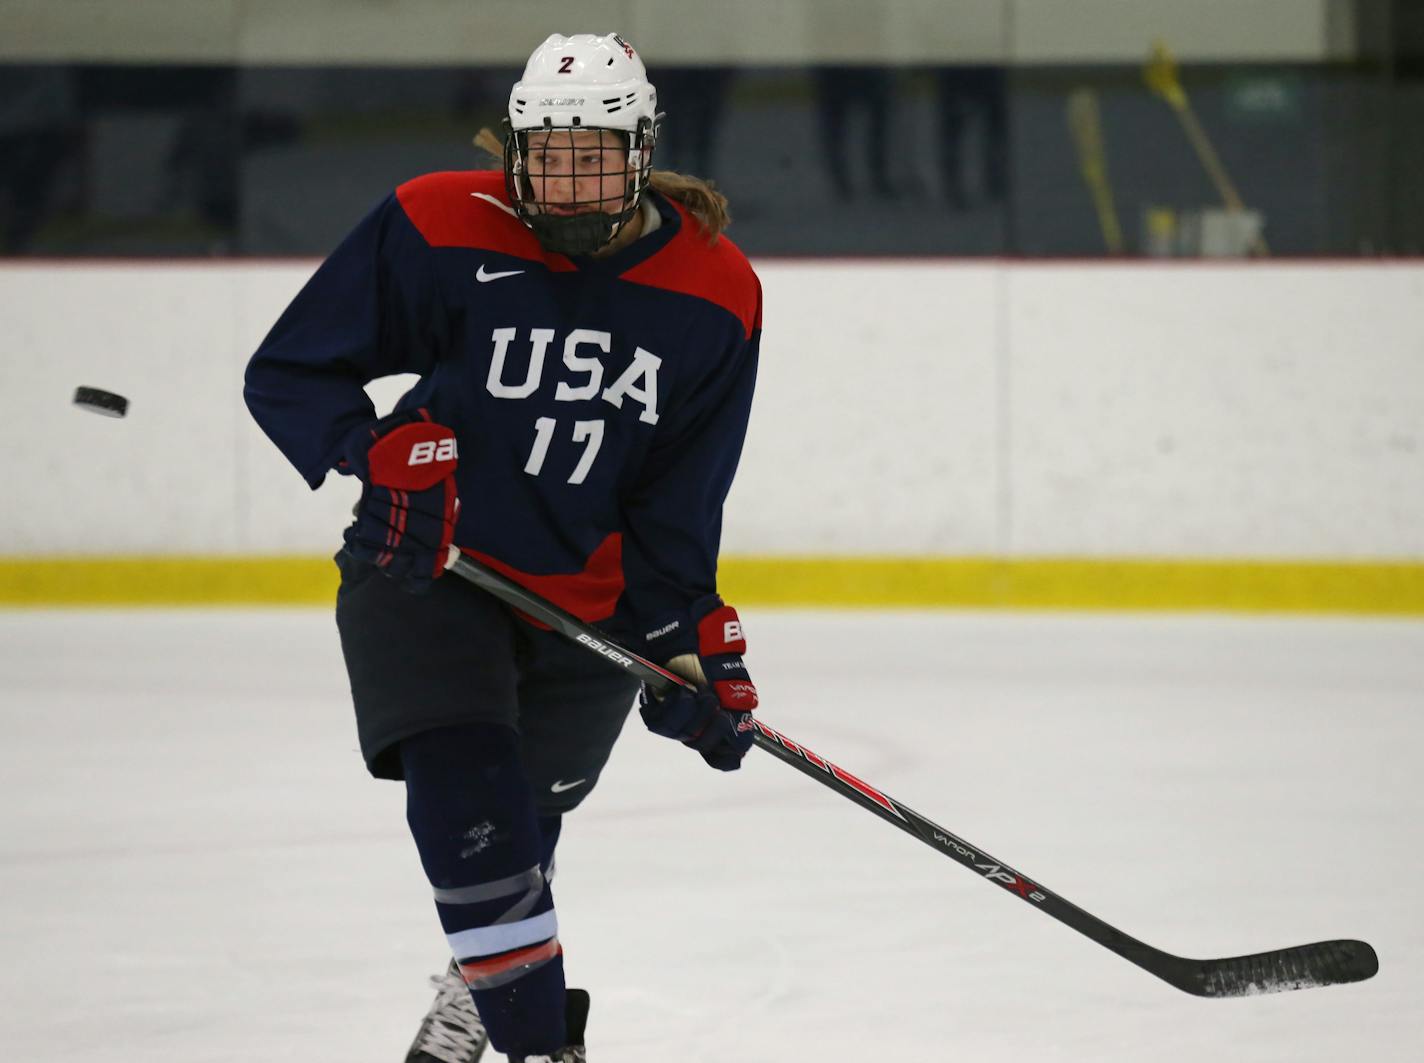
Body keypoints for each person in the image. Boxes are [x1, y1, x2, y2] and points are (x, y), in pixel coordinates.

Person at [244, 32, 762, 1063]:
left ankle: (478, 996)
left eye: (595, 153)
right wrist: (377, 451)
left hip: (587, 603)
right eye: (548, 151)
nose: (567, 178)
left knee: (525, 825)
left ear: (643, 146)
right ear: (516, 146)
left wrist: (690, 643)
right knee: (467, 787)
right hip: (428, 566)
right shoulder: (438, 220)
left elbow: (675, 502)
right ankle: (537, 1043)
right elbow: (290, 373)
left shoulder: (716, 290)